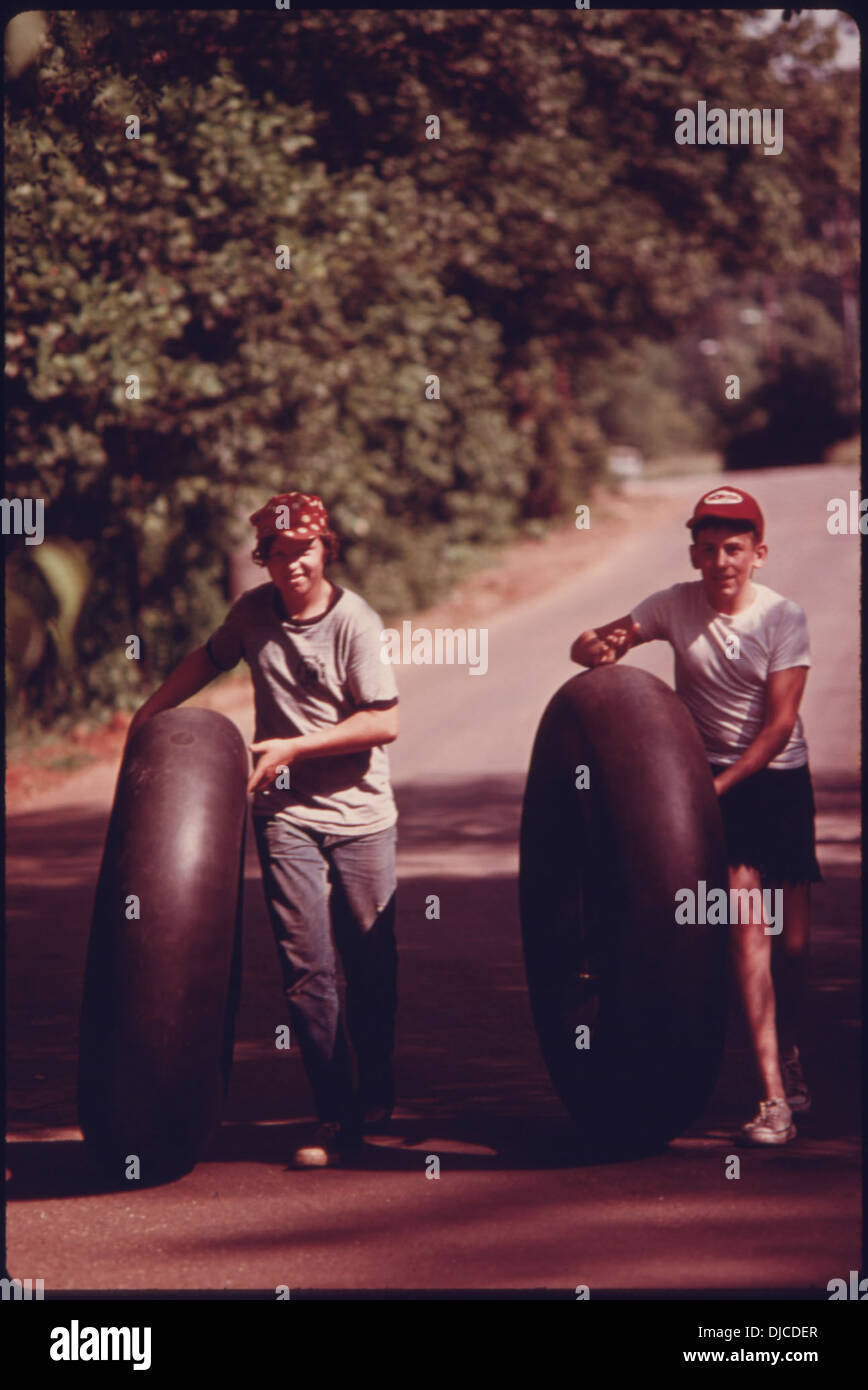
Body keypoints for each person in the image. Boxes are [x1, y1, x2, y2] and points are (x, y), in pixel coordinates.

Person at [128, 492, 400, 1168]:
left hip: (362, 815)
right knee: (307, 968)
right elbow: (209, 656)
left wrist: (293, 748)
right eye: (277, 555)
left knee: (370, 961)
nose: (292, 566)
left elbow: (384, 721)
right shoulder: (252, 613)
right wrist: (150, 713)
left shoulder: (354, 622)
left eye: (303, 551)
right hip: (284, 814)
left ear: (323, 548)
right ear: (265, 559)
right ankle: (337, 1112)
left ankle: (378, 1086)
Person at [569, 485, 819, 1145]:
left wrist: (724, 786)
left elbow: (780, 726)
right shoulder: (672, 605)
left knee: (794, 951)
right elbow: (592, 646)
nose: (721, 560)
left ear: (758, 553)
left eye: (734, 548)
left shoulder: (783, 617)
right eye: (708, 549)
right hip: (702, 783)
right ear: (693, 554)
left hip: (776, 782)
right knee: (746, 929)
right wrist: (599, 643)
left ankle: (790, 1055)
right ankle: (773, 1101)